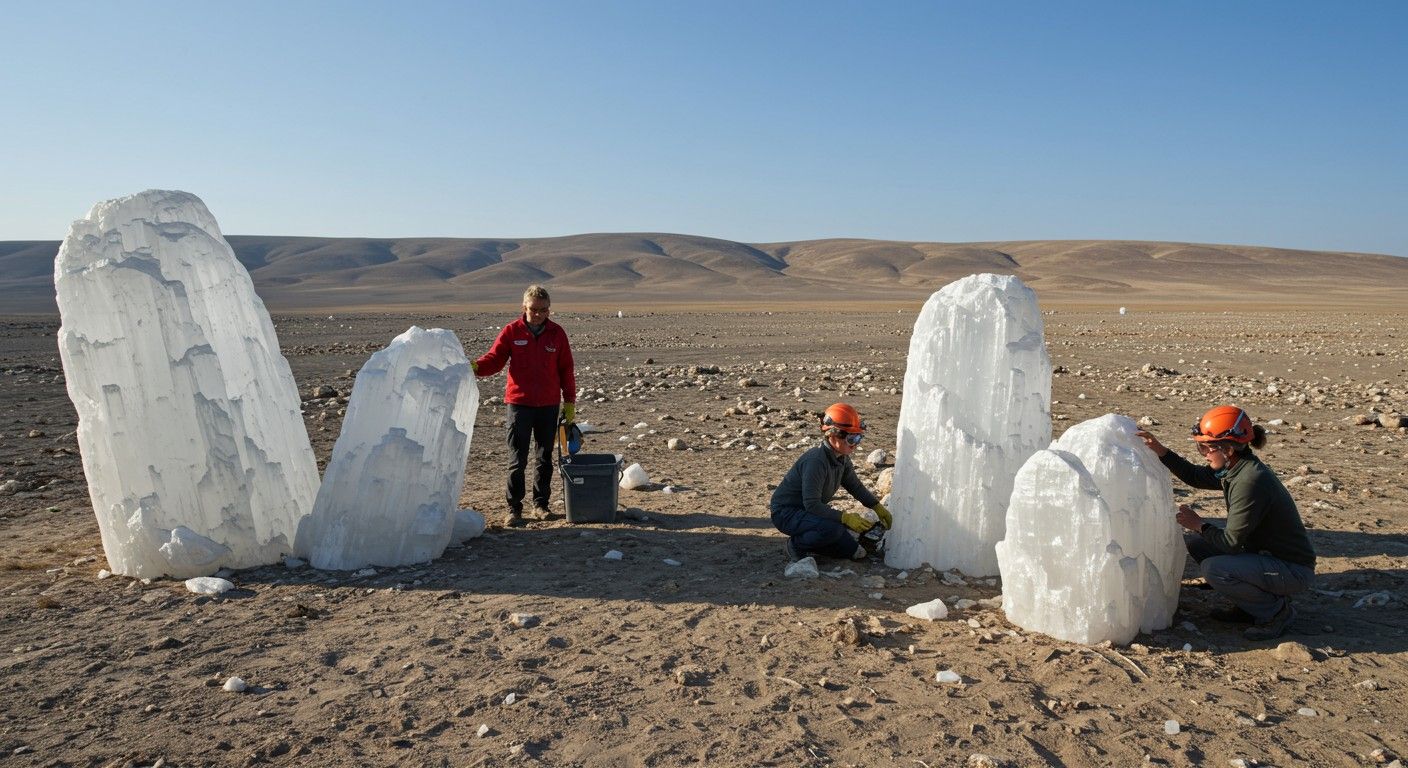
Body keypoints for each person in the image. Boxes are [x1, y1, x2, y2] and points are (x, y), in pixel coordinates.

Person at [1137, 405, 1316, 641]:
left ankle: (1275, 612)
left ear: (1228, 448)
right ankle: (1249, 605)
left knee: (1215, 569)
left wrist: (1199, 524)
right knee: (1198, 546)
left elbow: (1230, 543)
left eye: (1206, 448)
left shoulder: (1249, 481)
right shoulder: (1236, 468)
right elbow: (1194, 476)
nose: (1203, 454)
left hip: (1292, 570)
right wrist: (1160, 450)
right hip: (1268, 556)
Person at [472, 285, 577, 527]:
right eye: (533, 310)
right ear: (524, 308)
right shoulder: (512, 331)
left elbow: (566, 370)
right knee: (517, 459)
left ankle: (541, 505)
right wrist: (475, 367)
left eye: (543, 310)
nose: (539, 314)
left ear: (549, 310)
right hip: (519, 405)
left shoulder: (557, 334)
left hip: (548, 405)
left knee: (544, 457)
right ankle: (514, 508)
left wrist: (569, 402)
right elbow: (495, 359)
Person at [771, 403, 892, 561]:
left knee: (853, 551)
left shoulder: (841, 458)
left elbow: (854, 486)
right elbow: (812, 504)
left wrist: (876, 506)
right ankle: (796, 545)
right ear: (833, 435)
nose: (855, 444)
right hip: (787, 513)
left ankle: (815, 544)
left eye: (858, 438)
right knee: (833, 529)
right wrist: (845, 518)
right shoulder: (816, 461)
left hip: (809, 513)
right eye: (851, 438)